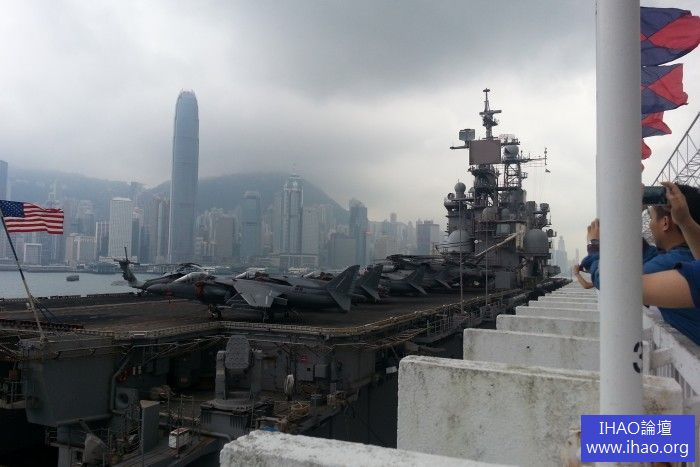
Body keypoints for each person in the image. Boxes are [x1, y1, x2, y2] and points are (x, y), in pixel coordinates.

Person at [580, 182, 700, 344]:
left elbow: (612, 285)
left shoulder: (674, 263)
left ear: (665, 223)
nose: (649, 225)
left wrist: (594, 247)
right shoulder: (681, 256)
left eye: (650, 218)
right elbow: (648, 256)